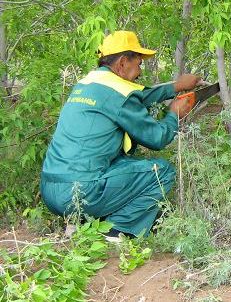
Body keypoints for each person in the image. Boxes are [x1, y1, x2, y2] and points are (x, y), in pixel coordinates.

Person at [40, 31, 200, 240]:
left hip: (51, 191)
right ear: (123, 63)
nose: (140, 71)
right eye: (139, 63)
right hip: (80, 192)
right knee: (162, 172)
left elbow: (138, 95)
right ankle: (117, 230)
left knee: (121, 162)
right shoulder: (119, 93)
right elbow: (157, 138)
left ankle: (83, 222)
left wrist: (176, 86)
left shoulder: (88, 84)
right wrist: (174, 115)